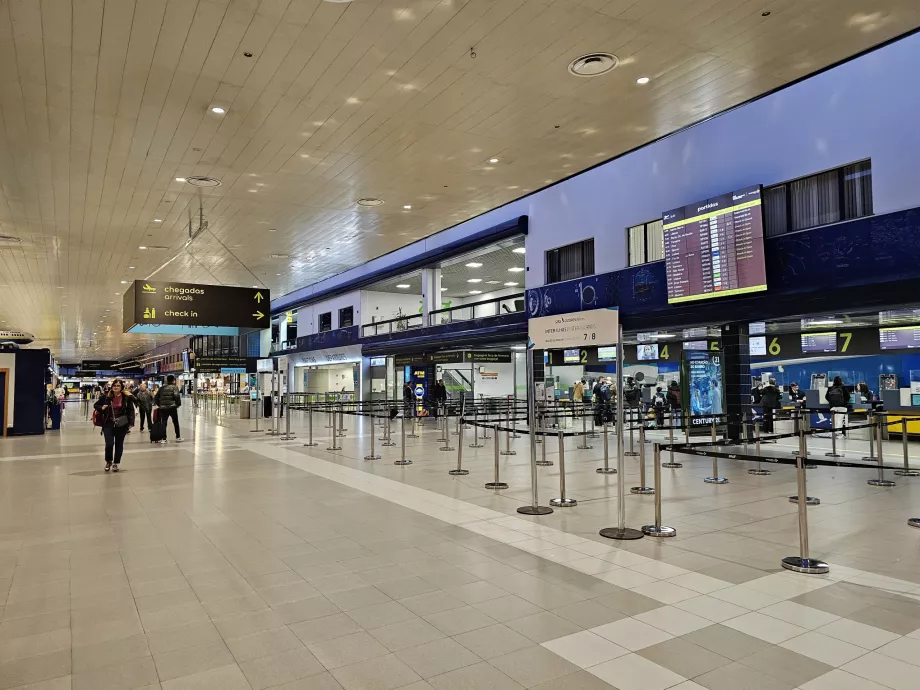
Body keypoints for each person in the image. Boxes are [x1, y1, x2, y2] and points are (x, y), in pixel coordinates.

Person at [93, 379, 135, 471]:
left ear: (121, 388)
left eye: (118, 386)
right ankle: (108, 461)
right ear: (112, 387)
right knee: (109, 444)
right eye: (114, 385)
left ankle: (116, 462)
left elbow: (131, 410)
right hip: (108, 423)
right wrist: (102, 407)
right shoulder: (106, 396)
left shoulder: (126, 397)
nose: (116, 387)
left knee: (119, 444)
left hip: (122, 424)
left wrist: (131, 423)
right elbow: (96, 405)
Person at [154, 374, 182, 443]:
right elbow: (177, 397)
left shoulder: (162, 388)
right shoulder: (175, 387)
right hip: (172, 408)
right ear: (173, 380)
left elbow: (156, 397)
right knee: (175, 422)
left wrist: (160, 405)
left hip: (163, 408)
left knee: (163, 423)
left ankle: (164, 439)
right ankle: (178, 437)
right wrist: (178, 404)